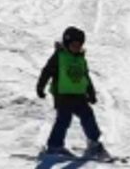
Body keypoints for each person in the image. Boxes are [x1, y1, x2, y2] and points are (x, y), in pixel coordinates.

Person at [36, 26, 110, 160]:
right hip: (63, 95)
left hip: (79, 95)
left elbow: (85, 76)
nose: (76, 47)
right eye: (74, 44)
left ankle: (94, 142)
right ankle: (54, 146)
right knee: (64, 120)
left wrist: (91, 93)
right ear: (66, 43)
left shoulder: (81, 58)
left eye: (79, 45)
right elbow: (46, 72)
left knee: (88, 116)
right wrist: (40, 87)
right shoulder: (59, 56)